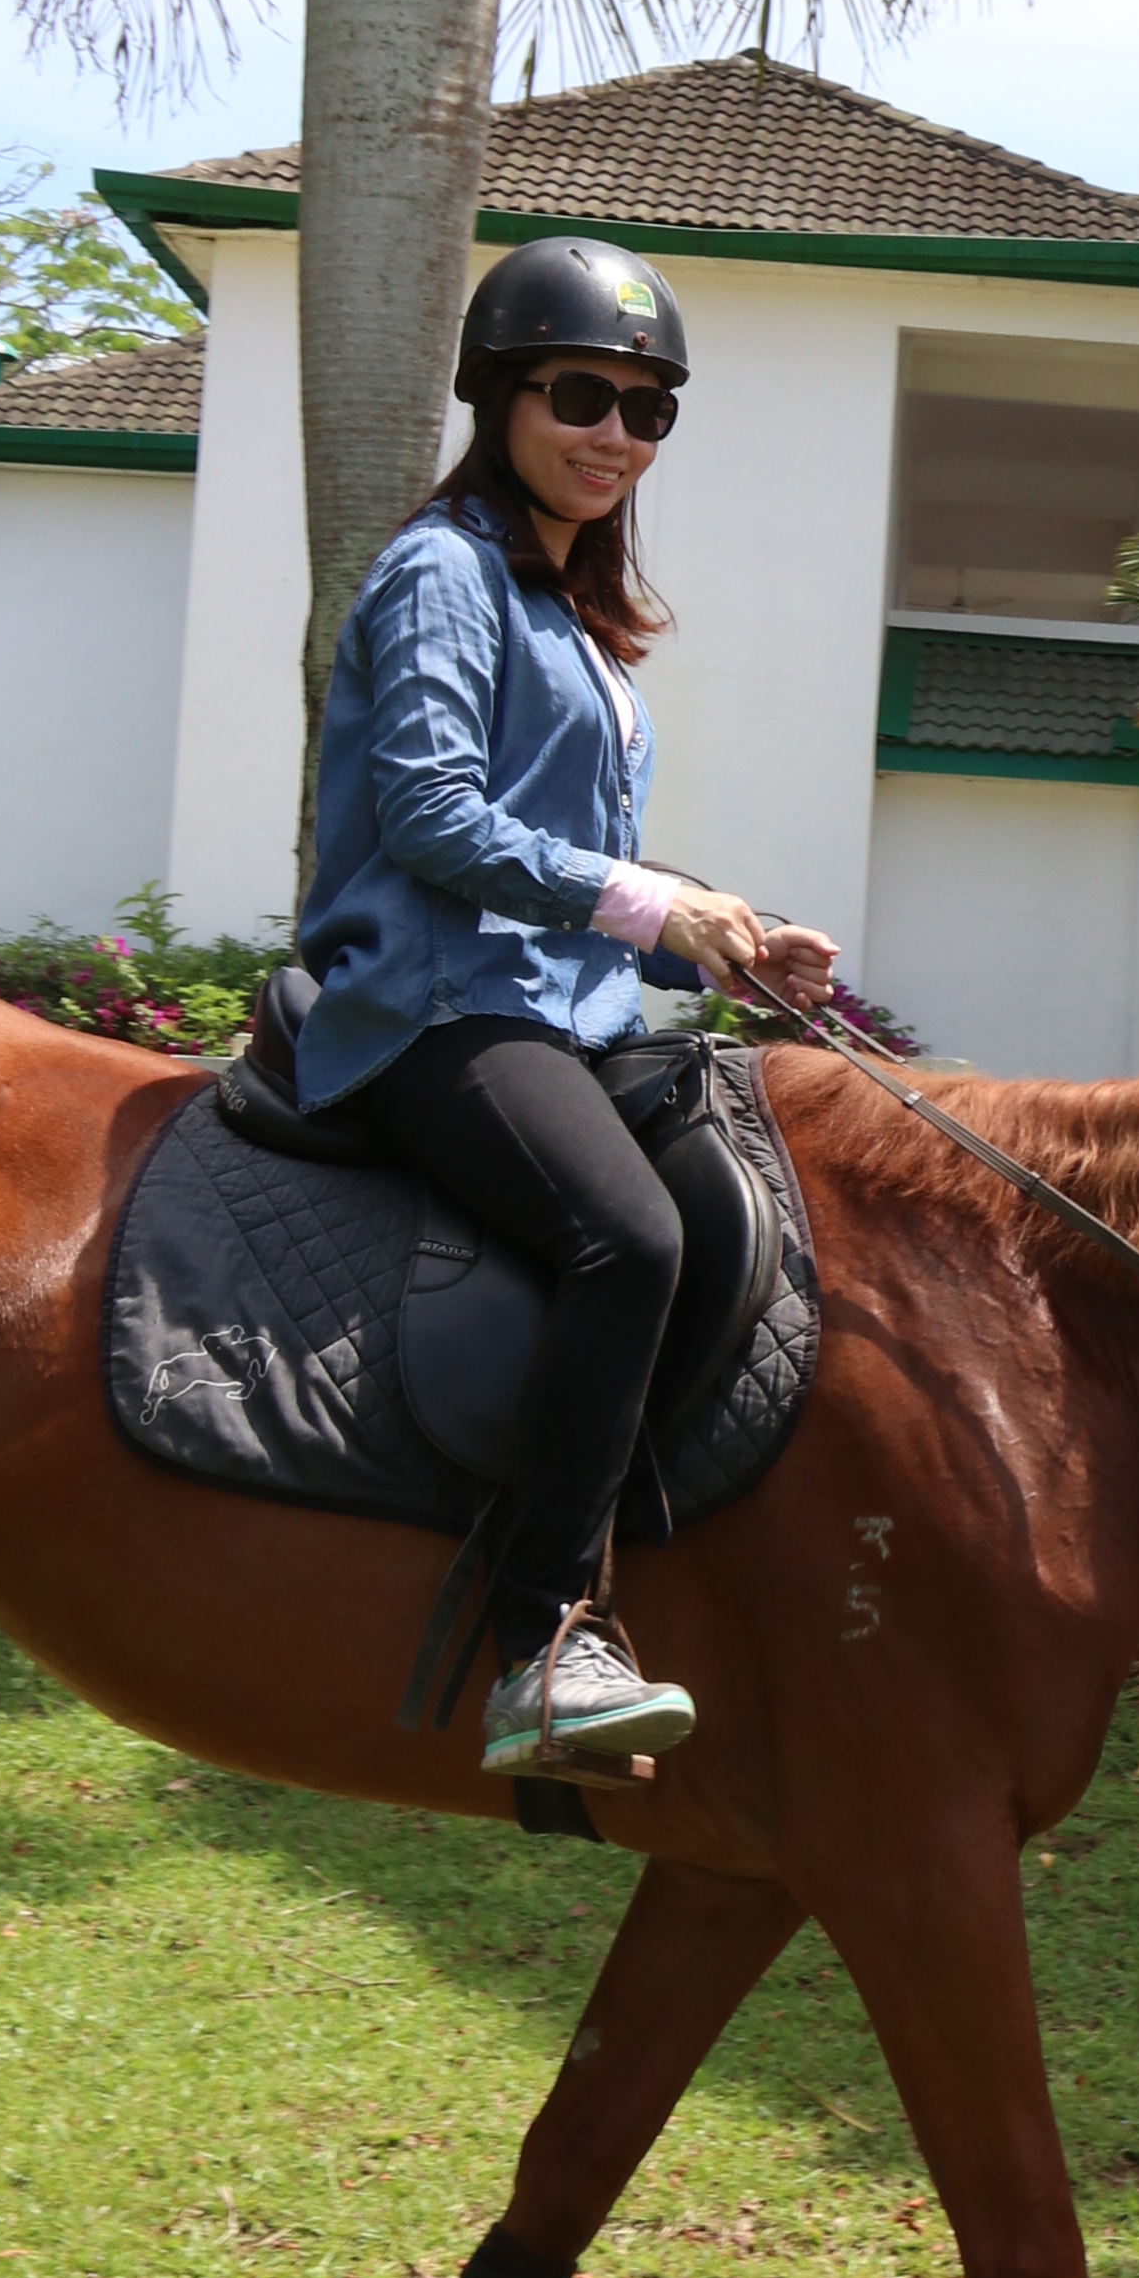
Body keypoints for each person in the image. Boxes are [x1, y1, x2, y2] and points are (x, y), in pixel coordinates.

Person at [295, 232, 835, 1776]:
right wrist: (655, 901)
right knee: (632, 1238)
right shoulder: (443, 573)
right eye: (580, 395)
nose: (614, 435)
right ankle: (540, 1644)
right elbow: (435, 822)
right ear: (500, 396)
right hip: (432, 1010)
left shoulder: (573, 616)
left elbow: (575, 874)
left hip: (563, 1016)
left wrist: (713, 942)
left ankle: (624, 1557)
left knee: (739, 1221)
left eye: (647, 411)